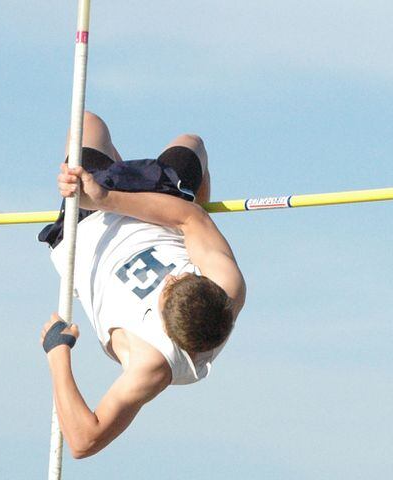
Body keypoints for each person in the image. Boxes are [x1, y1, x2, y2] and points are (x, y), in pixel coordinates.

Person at [38, 111, 246, 459]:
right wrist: (104, 196)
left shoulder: (152, 364)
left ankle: (110, 167)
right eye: (185, 273)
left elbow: (83, 441)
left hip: (90, 227)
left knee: (88, 124)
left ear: (162, 316)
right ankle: (112, 173)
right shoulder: (228, 284)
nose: (176, 273)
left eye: (171, 283)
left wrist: (57, 355)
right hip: (150, 207)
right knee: (192, 144)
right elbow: (190, 216)